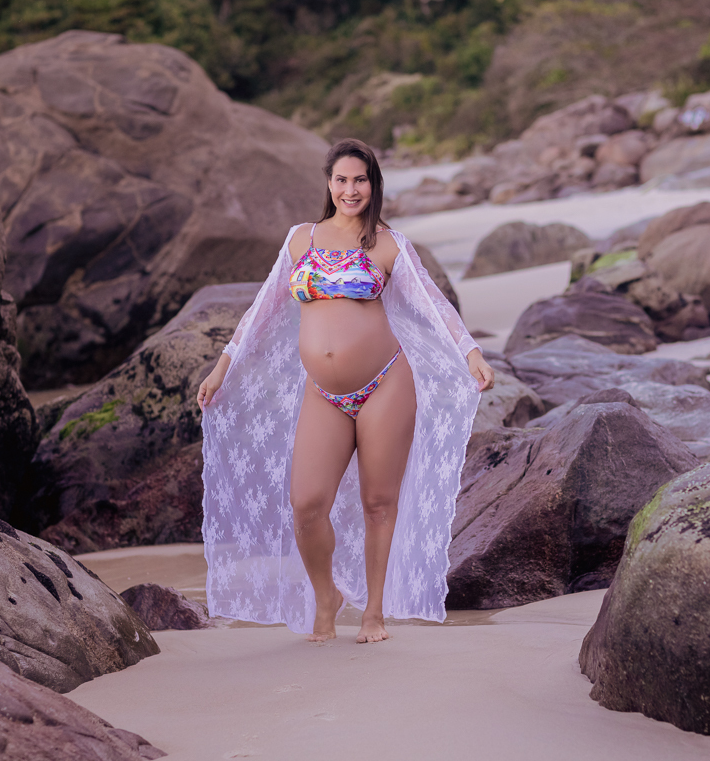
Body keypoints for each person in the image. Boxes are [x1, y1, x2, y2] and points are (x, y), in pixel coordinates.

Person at [196, 138, 494, 643]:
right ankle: (327, 593)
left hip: (385, 384)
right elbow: (263, 308)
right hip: (323, 394)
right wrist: (223, 365)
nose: (350, 189)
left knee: (380, 502)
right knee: (307, 504)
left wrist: (471, 353)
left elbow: (431, 303)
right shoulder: (301, 238)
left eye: (360, 180)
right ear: (328, 184)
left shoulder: (388, 243)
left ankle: (374, 612)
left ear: (373, 185)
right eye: (341, 180)